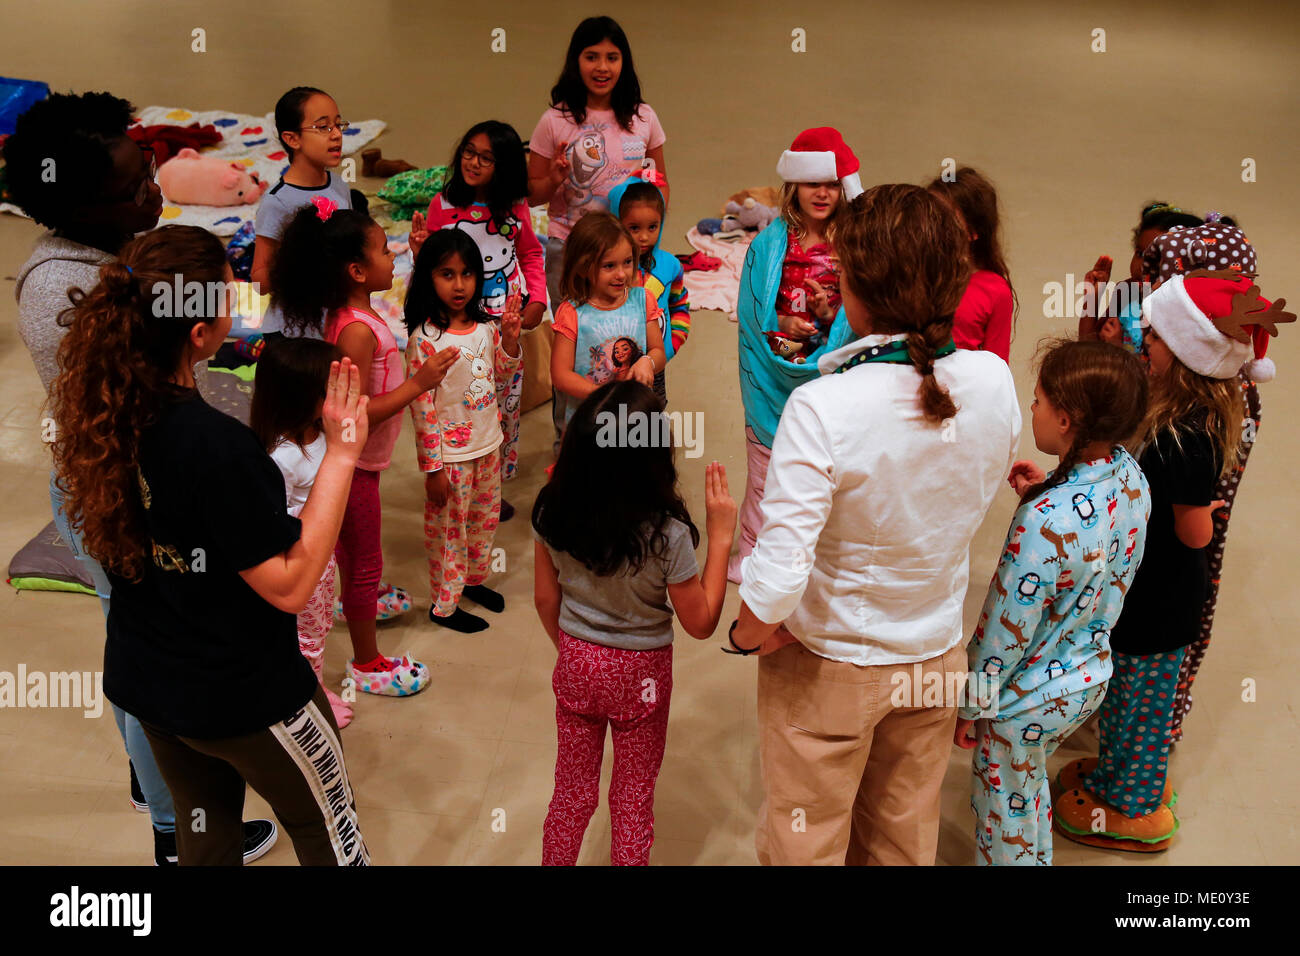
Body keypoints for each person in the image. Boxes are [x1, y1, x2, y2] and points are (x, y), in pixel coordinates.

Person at [50, 225, 371, 865]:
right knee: (330, 834)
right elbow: (290, 584)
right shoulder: (219, 449)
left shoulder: (102, 415)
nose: (243, 297)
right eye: (232, 292)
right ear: (200, 335)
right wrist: (340, 453)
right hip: (245, 695)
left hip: (152, 688)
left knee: (206, 839)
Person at [6, 90, 271, 865]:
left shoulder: (109, 252)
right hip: (114, 497)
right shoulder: (64, 290)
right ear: (79, 202)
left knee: (137, 644)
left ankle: (149, 778)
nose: (152, 192)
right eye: (131, 189)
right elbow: (135, 396)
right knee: (147, 661)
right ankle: (172, 829)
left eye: (149, 172)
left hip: (124, 484)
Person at [728, 184, 1022, 866]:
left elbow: (777, 575)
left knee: (807, 844)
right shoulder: (994, 381)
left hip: (832, 662)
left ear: (853, 290)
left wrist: (748, 633)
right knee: (901, 838)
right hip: (934, 653)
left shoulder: (822, 406)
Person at [1054, 268, 1292, 852]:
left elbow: (1193, 537)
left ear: (1187, 354)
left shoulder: (1186, 437)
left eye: (1155, 337)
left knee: (1142, 712)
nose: (1144, 341)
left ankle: (1132, 808)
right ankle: (1113, 779)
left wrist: (1203, 513)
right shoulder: (1180, 418)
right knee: (1126, 698)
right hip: (1145, 593)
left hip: (1162, 602)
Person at [954, 339, 1151, 866]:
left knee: (1003, 823)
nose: (1032, 409)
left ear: (1065, 419)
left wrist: (971, 706)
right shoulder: (1131, 476)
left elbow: (1002, 631)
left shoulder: (1044, 523)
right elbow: (1098, 551)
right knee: (1028, 794)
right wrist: (1050, 490)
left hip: (1024, 702)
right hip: (1088, 679)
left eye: (1038, 401)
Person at [533, 381, 736, 864]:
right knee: (631, 800)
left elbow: (545, 599)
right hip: (641, 675)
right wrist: (723, 537)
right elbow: (702, 622)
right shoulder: (667, 533)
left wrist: (575, 651)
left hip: (577, 661)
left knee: (571, 795)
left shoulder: (551, 508)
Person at [273, 200, 458, 696]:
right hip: (353, 468)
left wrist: (420, 256)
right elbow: (348, 413)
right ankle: (367, 661)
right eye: (383, 249)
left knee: (354, 555)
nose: (391, 254)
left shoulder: (358, 315)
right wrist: (418, 383)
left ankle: (357, 598)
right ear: (357, 270)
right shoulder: (355, 332)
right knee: (364, 559)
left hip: (361, 462)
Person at [731, 127, 861, 582]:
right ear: (793, 187)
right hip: (772, 372)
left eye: (831, 184)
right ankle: (754, 552)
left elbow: (860, 318)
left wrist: (829, 313)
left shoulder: (852, 247)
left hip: (830, 371)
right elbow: (752, 310)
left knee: (823, 471)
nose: (822, 193)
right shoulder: (769, 245)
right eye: (812, 184)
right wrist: (782, 326)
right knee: (765, 472)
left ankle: (815, 558)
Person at [408, 120, 546, 519]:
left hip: (503, 332)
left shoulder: (516, 207)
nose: (474, 162)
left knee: (501, 407)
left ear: (504, 166)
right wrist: (419, 254)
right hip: (457, 329)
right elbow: (432, 268)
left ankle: (491, 486)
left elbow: (532, 254)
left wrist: (537, 298)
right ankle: (453, 478)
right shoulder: (443, 205)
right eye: (469, 151)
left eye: (487, 158)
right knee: (457, 405)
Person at [404, 230, 523, 633]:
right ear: (428, 278)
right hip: (450, 460)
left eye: (468, 273)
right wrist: (433, 468)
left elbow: (499, 380)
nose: (459, 285)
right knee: (449, 531)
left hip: (488, 446)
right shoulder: (424, 339)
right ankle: (445, 604)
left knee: (483, 522)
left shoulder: (484, 328)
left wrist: (508, 340)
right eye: (447, 274)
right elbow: (421, 408)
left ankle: (472, 582)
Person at [528, 15, 668, 312]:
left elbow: (660, 186)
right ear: (575, 61)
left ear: (624, 63)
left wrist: (648, 234)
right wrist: (553, 179)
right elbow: (531, 194)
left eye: (612, 58)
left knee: (623, 337)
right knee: (570, 334)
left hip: (626, 254)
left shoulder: (644, 117)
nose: (602, 67)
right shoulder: (553, 121)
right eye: (591, 57)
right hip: (568, 248)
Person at [251, 338, 355, 729]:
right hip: (302, 557)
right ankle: (306, 702)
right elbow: (279, 518)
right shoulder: (282, 456)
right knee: (305, 635)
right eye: (331, 390)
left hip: (322, 556)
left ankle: (310, 689)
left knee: (319, 626)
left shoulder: (320, 433)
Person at [549, 212, 665, 444]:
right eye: (609, 265)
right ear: (583, 268)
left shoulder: (644, 300)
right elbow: (560, 375)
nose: (621, 274)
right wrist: (602, 396)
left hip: (636, 420)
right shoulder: (572, 312)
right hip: (589, 423)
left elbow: (658, 352)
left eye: (627, 262)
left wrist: (647, 362)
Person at [250, 86, 354, 339]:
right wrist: (300, 262)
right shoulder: (278, 202)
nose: (336, 135)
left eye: (339, 125)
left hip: (334, 324)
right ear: (292, 139)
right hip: (292, 333)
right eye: (323, 127)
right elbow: (259, 281)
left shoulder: (339, 186)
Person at [609, 172, 690, 402]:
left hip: (654, 365)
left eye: (653, 227)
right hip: (612, 366)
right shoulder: (609, 268)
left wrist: (671, 344)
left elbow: (680, 305)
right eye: (634, 228)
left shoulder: (669, 266)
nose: (644, 237)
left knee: (651, 413)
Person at [1077, 201, 1203, 349]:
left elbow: (1164, 370)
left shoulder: (1185, 311)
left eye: (1156, 257)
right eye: (1140, 254)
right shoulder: (1127, 291)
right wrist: (1092, 298)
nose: (1142, 266)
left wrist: (1116, 350)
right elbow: (1086, 349)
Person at [927, 165, 1016, 362]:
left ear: (973, 231)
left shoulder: (995, 290)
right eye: (928, 215)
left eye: (945, 219)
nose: (931, 226)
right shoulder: (911, 273)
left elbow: (996, 368)